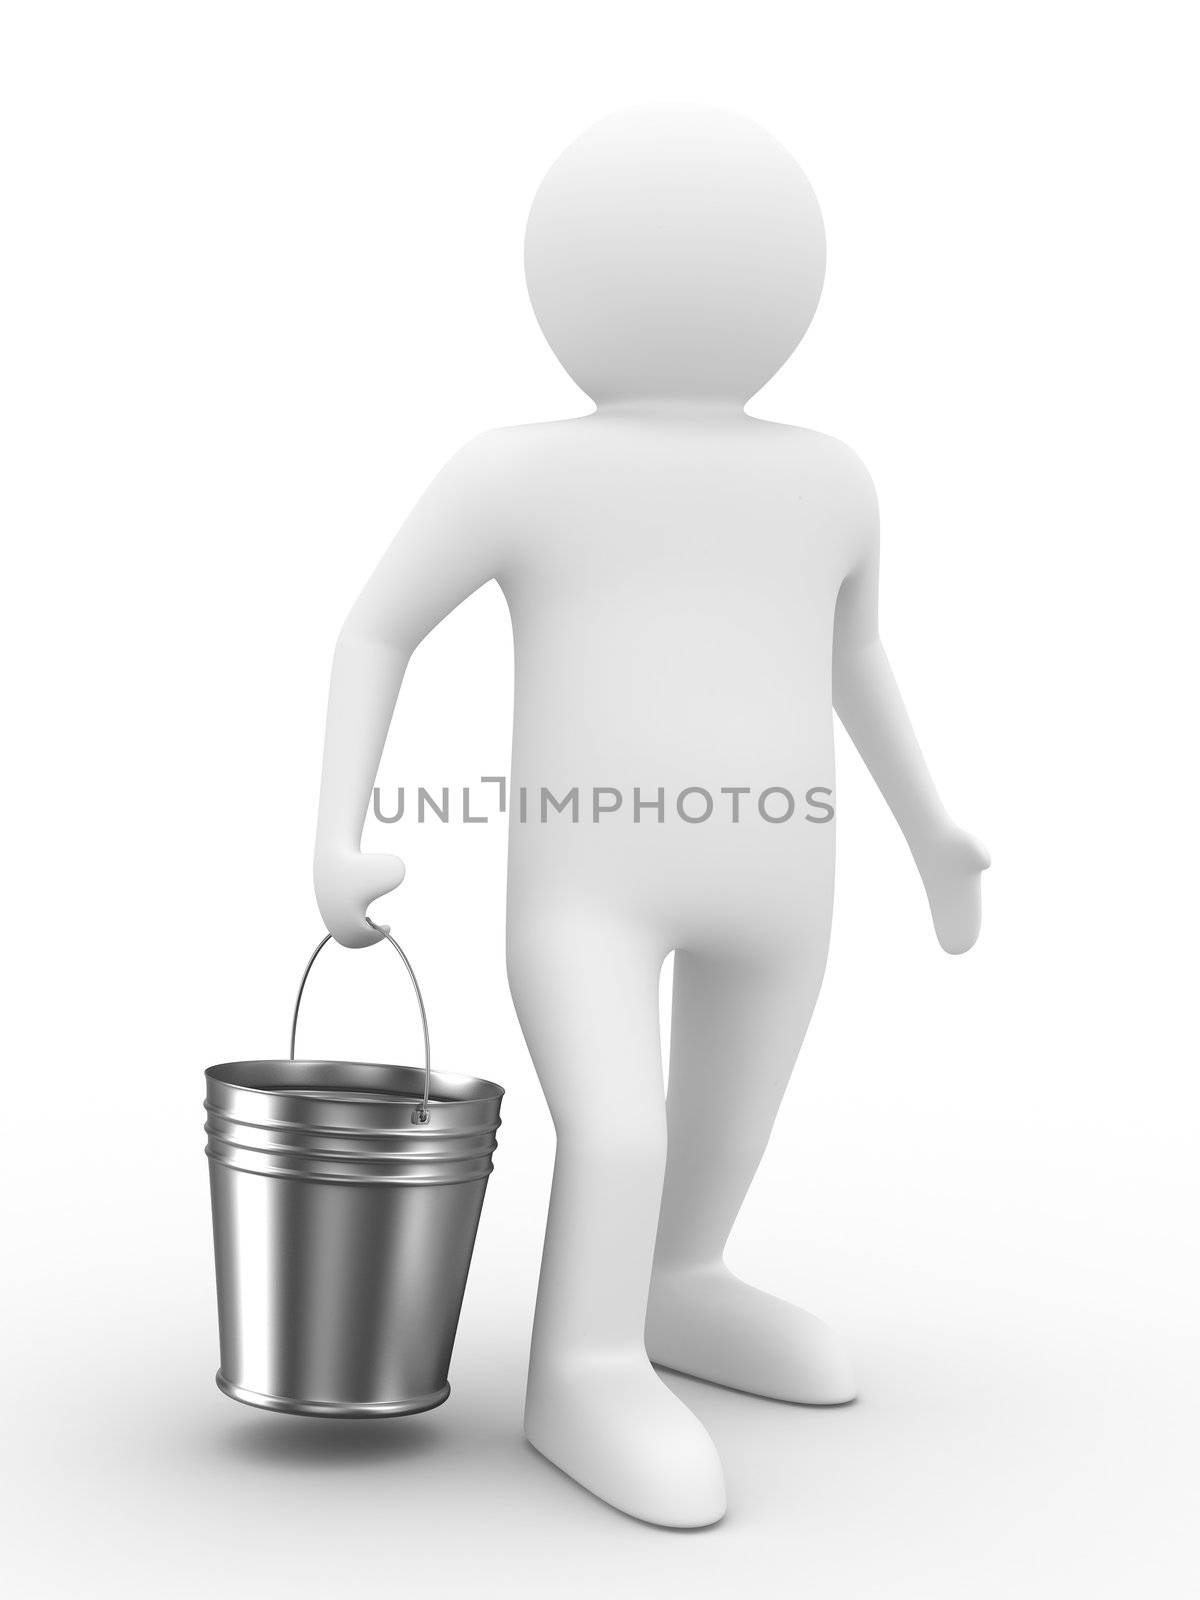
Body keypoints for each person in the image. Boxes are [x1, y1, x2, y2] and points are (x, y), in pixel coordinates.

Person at [314, 105, 988, 1527]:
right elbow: (377, 629)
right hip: (589, 894)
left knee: (722, 1142)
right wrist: (336, 833)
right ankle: (586, 1360)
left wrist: (929, 829)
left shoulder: (831, 478)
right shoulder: (516, 470)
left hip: (787, 889)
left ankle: (682, 1290)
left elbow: (855, 657)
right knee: (620, 1136)